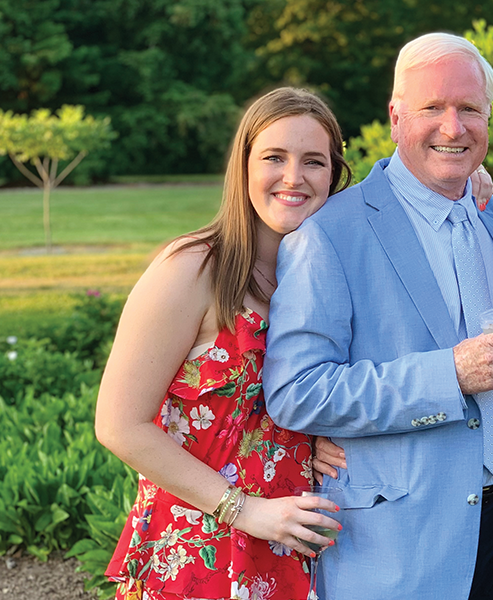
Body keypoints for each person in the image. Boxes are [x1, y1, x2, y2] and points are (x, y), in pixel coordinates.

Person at [262, 33, 493, 600]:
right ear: (395, 116)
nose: (453, 127)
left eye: (470, 110)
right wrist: (448, 376)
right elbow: (296, 392)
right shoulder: (330, 235)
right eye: (433, 108)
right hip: (394, 551)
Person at [95, 87, 351, 600]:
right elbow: (119, 425)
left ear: (335, 176)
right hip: (200, 550)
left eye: (314, 161)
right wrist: (246, 510)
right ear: (243, 166)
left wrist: (467, 183)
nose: (293, 177)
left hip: (296, 548)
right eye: (274, 157)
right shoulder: (193, 267)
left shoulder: (329, 275)